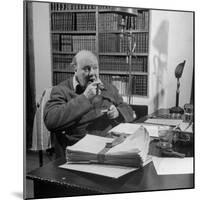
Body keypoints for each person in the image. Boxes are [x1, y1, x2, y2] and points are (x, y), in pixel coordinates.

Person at [44, 50, 135, 158]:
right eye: (86, 69)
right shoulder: (61, 90)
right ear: (75, 69)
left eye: (95, 68)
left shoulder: (108, 87)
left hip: (108, 147)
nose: (92, 73)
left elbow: (129, 111)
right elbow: (51, 120)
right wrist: (85, 97)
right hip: (78, 151)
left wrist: (118, 112)